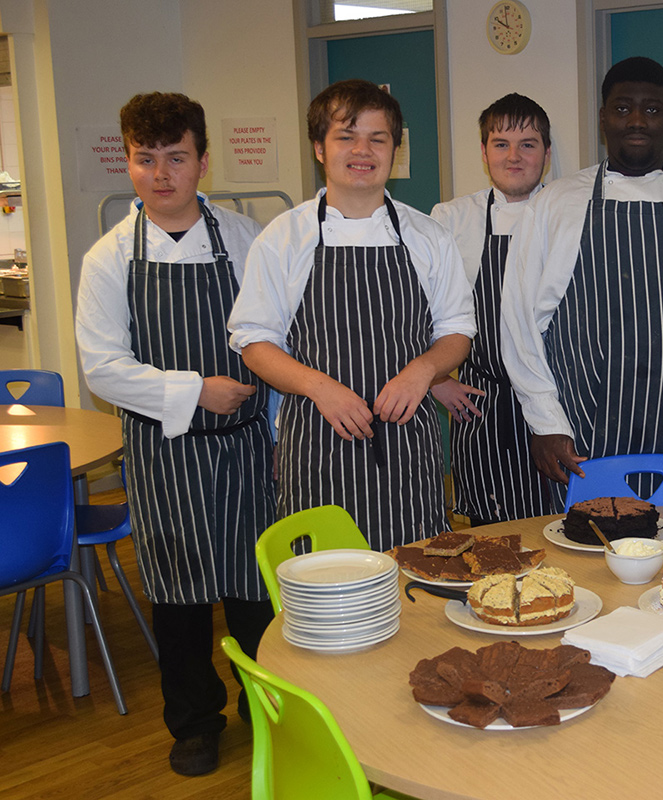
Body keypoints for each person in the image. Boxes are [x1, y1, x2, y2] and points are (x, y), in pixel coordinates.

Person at [75, 92, 275, 776]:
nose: (161, 175)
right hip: (165, 455)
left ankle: (265, 707)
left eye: (176, 158)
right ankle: (195, 722)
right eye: (144, 159)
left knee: (256, 592)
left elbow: (273, 341)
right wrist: (195, 391)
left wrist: (277, 438)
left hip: (248, 445)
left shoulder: (247, 239)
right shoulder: (109, 259)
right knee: (181, 597)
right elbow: (103, 367)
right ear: (128, 162)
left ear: (203, 161)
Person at [501, 56, 663, 505]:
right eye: (623, 109)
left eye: (653, 109)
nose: (638, 121)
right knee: (590, 558)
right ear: (604, 116)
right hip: (584, 429)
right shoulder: (555, 206)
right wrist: (546, 422)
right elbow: (519, 322)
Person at [228, 79, 474, 548]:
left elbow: (457, 331)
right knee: (324, 587)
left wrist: (422, 372)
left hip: (407, 448)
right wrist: (320, 388)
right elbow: (254, 342)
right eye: (346, 136)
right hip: (318, 444)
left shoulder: (427, 236)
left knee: (414, 577)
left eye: (378, 139)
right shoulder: (284, 237)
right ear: (319, 148)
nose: (363, 150)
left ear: (394, 151)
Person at [429, 93, 556, 525]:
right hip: (482, 406)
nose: (514, 156)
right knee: (492, 539)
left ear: (547, 153)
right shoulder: (449, 219)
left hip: (560, 405)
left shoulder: (570, 215)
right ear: (484, 153)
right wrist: (437, 379)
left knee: (562, 530)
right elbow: (415, 311)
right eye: (501, 143)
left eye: (528, 144)